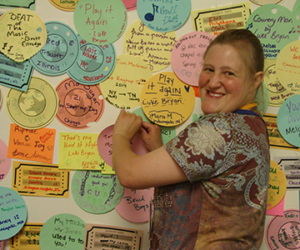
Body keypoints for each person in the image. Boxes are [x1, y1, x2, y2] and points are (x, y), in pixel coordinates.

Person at [112, 29, 270, 250]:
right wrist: (159, 149)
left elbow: (129, 174)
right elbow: (210, 193)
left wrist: (119, 135)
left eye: (229, 73)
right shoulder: (253, 126)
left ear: (256, 81)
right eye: (209, 69)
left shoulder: (220, 128)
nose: (213, 82)